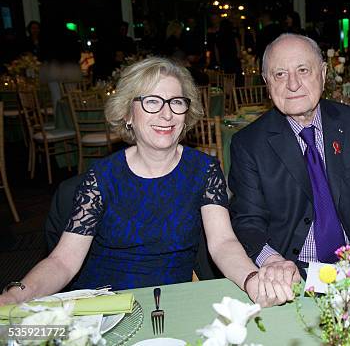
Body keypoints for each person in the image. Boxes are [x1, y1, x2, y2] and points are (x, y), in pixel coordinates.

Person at [0, 57, 294, 307]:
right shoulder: (101, 177)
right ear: (128, 113)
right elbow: (63, 262)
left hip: (168, 305)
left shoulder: (204, 170)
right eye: (152, 102)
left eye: (176, 102)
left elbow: (223, 244)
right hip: (104, 308)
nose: (166, 114)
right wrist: (17, 295)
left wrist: (251, 278)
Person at [229, 34, 350, 278]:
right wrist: (273, 261)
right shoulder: (249, 144)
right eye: (280, 74)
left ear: (322, 73)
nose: (293, 84)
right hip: (293, 273)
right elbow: (248, 222)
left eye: (303, 70)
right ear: (267, 83)